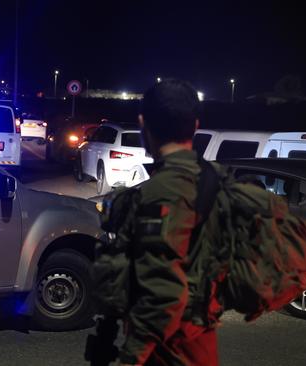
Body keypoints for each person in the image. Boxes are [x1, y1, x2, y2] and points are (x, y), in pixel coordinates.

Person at [98, 79, 221, 366]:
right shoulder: (213, 182)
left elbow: (164, 293)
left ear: (143, 123)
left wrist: (132, 358)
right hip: (202, 347)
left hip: (169, 354)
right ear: (196, 125)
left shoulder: (161, 194)